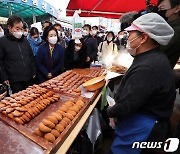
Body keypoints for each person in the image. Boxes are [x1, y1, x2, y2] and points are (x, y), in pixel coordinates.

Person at [107, 13, 175, 154]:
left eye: (131, 34)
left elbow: (128, 105)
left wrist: (110, 111)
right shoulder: (149, 58)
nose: (127, 38)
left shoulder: (148, 67)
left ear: (143, 38)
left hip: (143, 129)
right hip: (140, 123)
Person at [0, 15, 36, 93]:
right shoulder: (2, 42)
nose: (20, 31)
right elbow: (0, 61)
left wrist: (33, 71)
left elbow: (31, 56)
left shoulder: (25, 41)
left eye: (21, 28)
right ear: (9, 27)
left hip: (29, 78)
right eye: (17, 28)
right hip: (15, 81)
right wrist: (4, 77)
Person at [158, 0, 180, 68]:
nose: (159, 11)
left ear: (177, 9)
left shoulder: (176, 30)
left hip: (158, 72)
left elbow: (157, 50)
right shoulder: (166, 25)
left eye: (162, 9)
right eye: (158, 9)